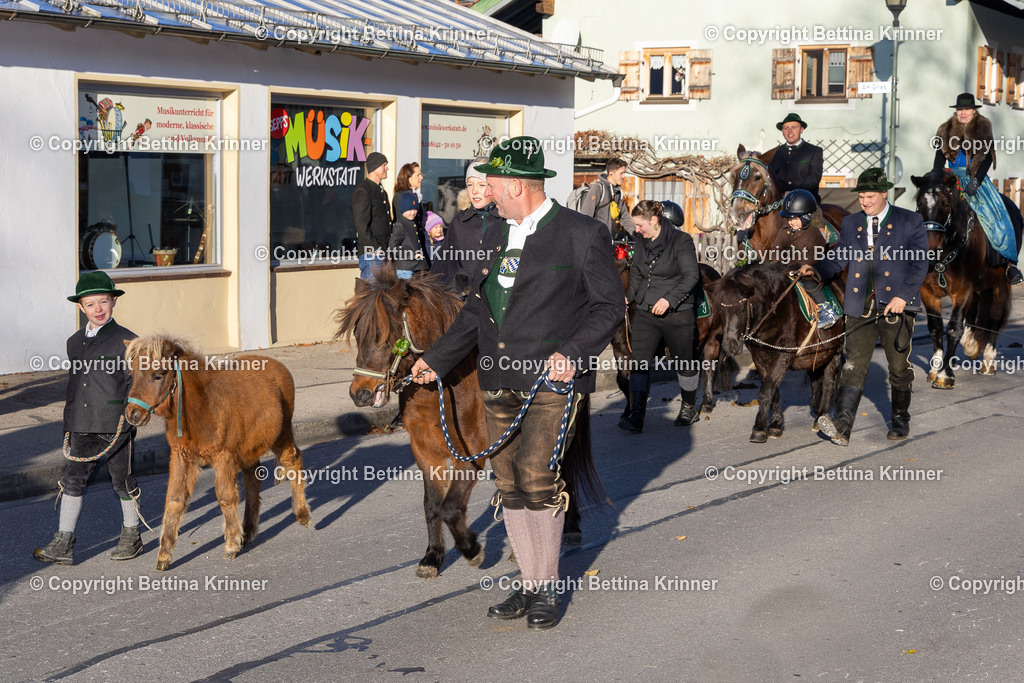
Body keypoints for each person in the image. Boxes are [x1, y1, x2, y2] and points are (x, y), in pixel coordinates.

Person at [410, 136, 623, 630]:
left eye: (494, 184)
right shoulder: (495, 235)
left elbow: (609, 307)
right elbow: (476, 311)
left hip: (552, 380)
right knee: (508, 484)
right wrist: (436, 361)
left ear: (519, 186)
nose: (484, 192)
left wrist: (572, 353)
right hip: (498, 379)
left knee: (537, 478)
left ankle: (546, 587)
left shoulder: (580, 233)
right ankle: (529, 582)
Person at [798, 168, 929, 445]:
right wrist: (817, 271)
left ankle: (899, 420)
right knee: (853, 365)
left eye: (870, 196)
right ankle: (843, 427)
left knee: (898, 367)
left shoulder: (910, 221)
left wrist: (903, 297)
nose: (865, 202)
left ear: (884, 193)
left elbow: (920, 264)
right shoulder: (852, 223)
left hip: (896, 306)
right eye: (861, 197)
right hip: (860, 306)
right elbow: (839, 258)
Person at [34, 271, 142, 565]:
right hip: (81, 424)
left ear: (113, 302)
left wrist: (132, 417)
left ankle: (132, 534)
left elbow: (140, 384)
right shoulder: (74, 342)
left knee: (122, 481)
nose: (98, 309)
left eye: (103, 302)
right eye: (90, 304)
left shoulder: (128, 341)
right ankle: (63, 542)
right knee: (72, 481)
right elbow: (75, 384)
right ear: (80, 307)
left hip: (115, 425)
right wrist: (68, 424)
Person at [619, 201, 702, 432]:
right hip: (646, 311)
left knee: (684, 362)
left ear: (654, 221)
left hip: (677, 313)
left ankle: (688, 407)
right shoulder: (642, 241)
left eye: (639, 225)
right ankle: (636, 415)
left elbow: (691, 276)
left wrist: (669, 299)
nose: (636, 229)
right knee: (639, 363)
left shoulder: (681, 241)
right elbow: (636, 272)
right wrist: (628, 296)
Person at [932, 92, 1023, 285]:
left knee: (995, 214)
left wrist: (976, 183)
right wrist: (936, 179)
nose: (963, 113)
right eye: (959, 110)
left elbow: (987, 158)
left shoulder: (983, 127)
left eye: (966, 109)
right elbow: (939, 159)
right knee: (931, 211)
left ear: (974, 111)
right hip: (951, 179)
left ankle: (1009, 264)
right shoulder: (944, 129)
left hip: (976, 179)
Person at [441, 156, 503, 297]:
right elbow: (445, 266)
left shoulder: (505, 220)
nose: (474, 191)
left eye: (481, 185)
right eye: (470, 184)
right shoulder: (460, 222)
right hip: (467, 304)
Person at [780, 189, 841, 329]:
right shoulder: (790, 222)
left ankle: (826, 310)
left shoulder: (815, 219)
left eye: (793, 218)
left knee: (807, 278)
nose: (790, 222)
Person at [352, 151, 392, 281]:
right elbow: (361, 224)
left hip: (383, 253)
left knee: (383, 298)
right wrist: (375, 248)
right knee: (372, 297)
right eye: (384, 165)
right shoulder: (363, 190)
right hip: (372, 254)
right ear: (375, 167)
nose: (387, 168)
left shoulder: (381, 192)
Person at [768, 113, 824, 203]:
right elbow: (769, 178)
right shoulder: (775, 153)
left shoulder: (814, 151)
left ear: (801, 130)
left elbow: (814, 178)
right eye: (786, 128)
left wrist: (795, 193)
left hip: (807, 202)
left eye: (794, 127)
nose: (790, 131)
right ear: (782, 131)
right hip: (778, 203)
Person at [580, 158, 636, 238]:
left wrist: (634, 232)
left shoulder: (618, 192)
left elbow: (624, 216)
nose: (623, 176)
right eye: (621, 173)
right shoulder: (598, 188)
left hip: (607, 238)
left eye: (624, 173)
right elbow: (585, 216)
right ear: (611, 174)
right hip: (594, 238)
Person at [388, 191, 427, 279]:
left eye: (415, 209)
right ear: (403, 210)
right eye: (409, 210)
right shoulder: (400, 225)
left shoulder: (412, 223)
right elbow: (392, 247)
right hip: (405, 269)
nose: (413, 213)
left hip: (415, 267)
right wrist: (411, 255)